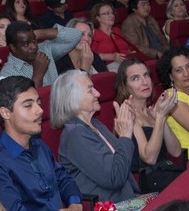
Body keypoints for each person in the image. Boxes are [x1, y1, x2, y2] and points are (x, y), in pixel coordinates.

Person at [0, 76, 85, 211]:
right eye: (28, 105)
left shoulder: (38, 144)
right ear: (5, 113)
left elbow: (63, 178)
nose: (40, 110)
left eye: (38, 102)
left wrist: (75, 205)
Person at [51, 70, 138, 202]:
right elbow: (115, 178)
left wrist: (128, 130)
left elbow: (129, 164)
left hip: (128, 199)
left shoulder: (95, 124)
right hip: (111, 208)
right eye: (90, 90)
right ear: (72, 98)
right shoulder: (75, 134)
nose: (98, 93)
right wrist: (125, 135)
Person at [114, 58, 182, 192]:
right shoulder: (127, 114)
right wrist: (160, 117)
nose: (144, 82)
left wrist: (161, 118)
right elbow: (149, 158)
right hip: (148, 180)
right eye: (135, 78)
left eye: (146, 75)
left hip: (166, 170)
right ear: (125, 86)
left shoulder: (152, 111)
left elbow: (176, 151)